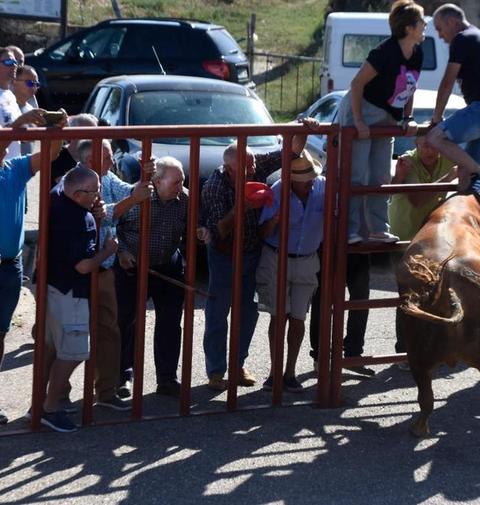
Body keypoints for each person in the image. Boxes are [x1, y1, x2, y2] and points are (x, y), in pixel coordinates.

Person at [0, 114, 66, 425]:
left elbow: (52, 153)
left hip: (9, 266)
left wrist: (56, 128)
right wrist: (18, 123)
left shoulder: (15, 169)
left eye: (2, 137)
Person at [201, 119, 317, 391]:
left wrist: (302, 127)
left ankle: (238, 364)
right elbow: (219, 231)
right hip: (224, 255)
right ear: (230, 168)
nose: (253, 170)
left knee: (249, 310)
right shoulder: (215, 187)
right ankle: (216, 371)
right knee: (218, 311)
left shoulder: (254, 165)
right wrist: (241, 206)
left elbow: (291, 151)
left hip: (253, 252)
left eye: (253, 163)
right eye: (246, 167)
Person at [338, 0, 425, 244]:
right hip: (363, 109)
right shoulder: (385, 52)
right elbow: (357, 84)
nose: (425, 25)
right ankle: (349, 230)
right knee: (355, 175)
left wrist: (408, 118)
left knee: (380, 175)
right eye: (421, 22)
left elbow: (411, 86)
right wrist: (358, 121)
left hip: (389, 115)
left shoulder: (418, 53)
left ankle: (378, 228)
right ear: (408, 28)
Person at [40, 166, 117, 432]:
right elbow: (83, 266)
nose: (98, 197)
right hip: (71, 294)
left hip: (55, 288)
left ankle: (42, 404)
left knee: (54, 347)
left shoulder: (57, 195)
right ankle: (49, 408)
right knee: (73, 353)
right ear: (76, 192)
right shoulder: (76, 220)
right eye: (94, 192)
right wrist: (107, 250)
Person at [115, 157, 188, 398]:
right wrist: (122, 251)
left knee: (170, 323)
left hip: (168, 266)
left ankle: (167, 378)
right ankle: (122, 377)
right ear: (156, 182)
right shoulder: (137, 198)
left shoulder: (184, 200)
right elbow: (112, 226)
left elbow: (194, 226)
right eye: (176, 182)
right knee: (127, 321)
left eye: (182, 182)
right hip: (134, 268)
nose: (181, 187)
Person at [257, 150, 326, 393]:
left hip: (307, 259)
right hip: (277, 258)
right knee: (278, 316)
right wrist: (275, 220)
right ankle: (275, 372)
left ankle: (290, 372)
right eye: (303, 181)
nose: (309, 183)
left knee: (298, 318)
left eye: (311, 179)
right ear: (291, 180)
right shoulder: (277, 189)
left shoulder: (323, 188)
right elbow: (262, 234)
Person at [427, 3, 480, 193]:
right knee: (466, 174)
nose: (440, 36)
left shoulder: (462, 39)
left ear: (452, 22)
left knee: (434, 137)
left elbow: (447, 82)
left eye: (440, 29)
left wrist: (436, 118)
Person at [388, 132, 455, 361]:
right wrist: (449, 179)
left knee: (435, 290)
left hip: (432, 236)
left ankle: (430, 347)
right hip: (406, 235)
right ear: (416, 144)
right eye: (424, 144)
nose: (430, 149)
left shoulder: (447, 158)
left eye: (434, 144)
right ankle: (404, 350)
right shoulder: (408, 161)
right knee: (409, 292)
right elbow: (417, 199)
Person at [50, 114, 100, 184]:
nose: (91, 139)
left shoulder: (100, 155)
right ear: (71, 134)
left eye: (94, 134)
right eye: (86, 133)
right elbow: (64, 186)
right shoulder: (56, 157)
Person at [11, 65, 42, 156]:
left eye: (37, 84)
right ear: (14, 81)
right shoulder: (6, 106)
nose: (34, 87)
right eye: (30, 83)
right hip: (5, 164)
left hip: (24, 165)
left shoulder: (31, 109)